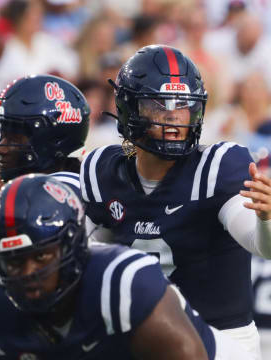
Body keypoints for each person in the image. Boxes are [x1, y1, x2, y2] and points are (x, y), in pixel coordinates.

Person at [80, 44, 271, 359]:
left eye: (182, 104)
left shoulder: (217, 168)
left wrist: (265, 218)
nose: (173, 116)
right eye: (158, 104)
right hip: (144, 340)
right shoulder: (103, 171)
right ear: (130, 110)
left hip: (221, 340)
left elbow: (262, 245)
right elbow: (82, 254)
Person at [0, 173, 251, 360]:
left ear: (73, 245)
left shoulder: (122, 285)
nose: (29, 273)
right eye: (15, 262)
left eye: (41, 257)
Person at [0, 74, 90, 359]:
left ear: (49, 138)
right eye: (2, 134)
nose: (2, 147)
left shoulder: (48, 198)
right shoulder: (90, 186)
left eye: (14, 135)